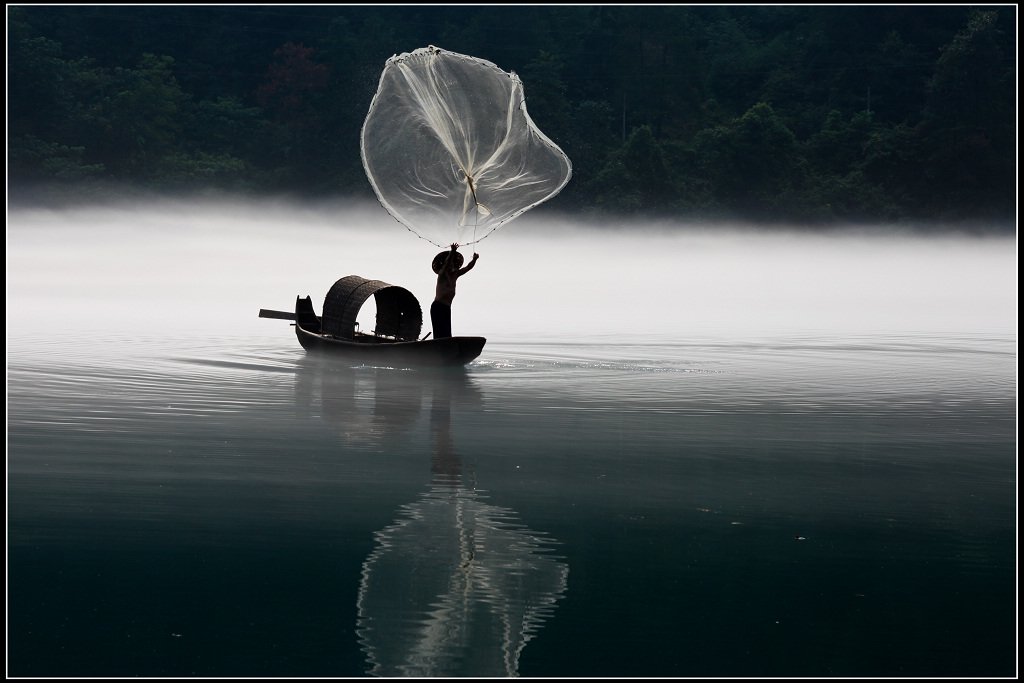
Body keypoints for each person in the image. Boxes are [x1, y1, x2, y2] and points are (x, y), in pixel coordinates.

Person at [430, 243, 479, 339]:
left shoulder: (455, 274)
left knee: (447, 333)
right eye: (450, 262)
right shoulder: (442, 274)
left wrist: (474, 259)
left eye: (453, 263)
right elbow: (446, 263)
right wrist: (452, 251)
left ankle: (447, 349)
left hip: (446, 307)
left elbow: (467, 268)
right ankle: (438, 349)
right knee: (440, 333)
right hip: (438, 306)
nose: (451, 264)